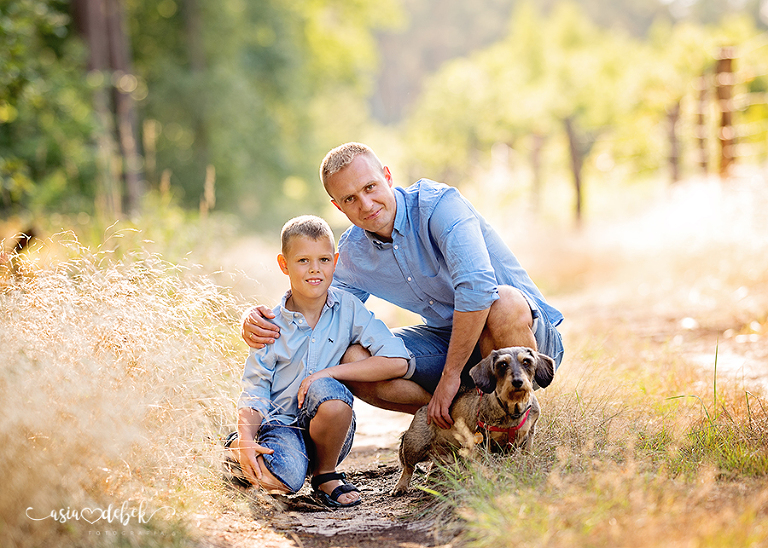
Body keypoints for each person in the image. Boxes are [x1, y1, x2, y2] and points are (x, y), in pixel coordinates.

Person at [242, 142, 564, 430]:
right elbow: (320, 306)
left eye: (370, 187)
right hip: (449, 341)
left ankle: (515, 431)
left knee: (502, 302)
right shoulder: (353, 252)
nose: (366, 204)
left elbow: (478, 288)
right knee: (353, 357)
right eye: (350, 199)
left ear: (388, 176)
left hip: (523, 339)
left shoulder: (438, 205)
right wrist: (266, 320)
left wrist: (450, 377)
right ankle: (459, 426)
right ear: (338, 206)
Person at [226, 215, 411, 508]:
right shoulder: (270, 325)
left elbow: (398, 360)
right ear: (284, 265)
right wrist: (247, 433)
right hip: (281, 427)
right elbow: (256, 390)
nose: (315, 269)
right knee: (287, 479)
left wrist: (328, 373)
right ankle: (236, 450)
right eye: (303, 261)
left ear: (335, 261)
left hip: (331, 430)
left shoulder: (349, 309)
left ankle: (325, 475)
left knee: (330, 392)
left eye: (324, 259)